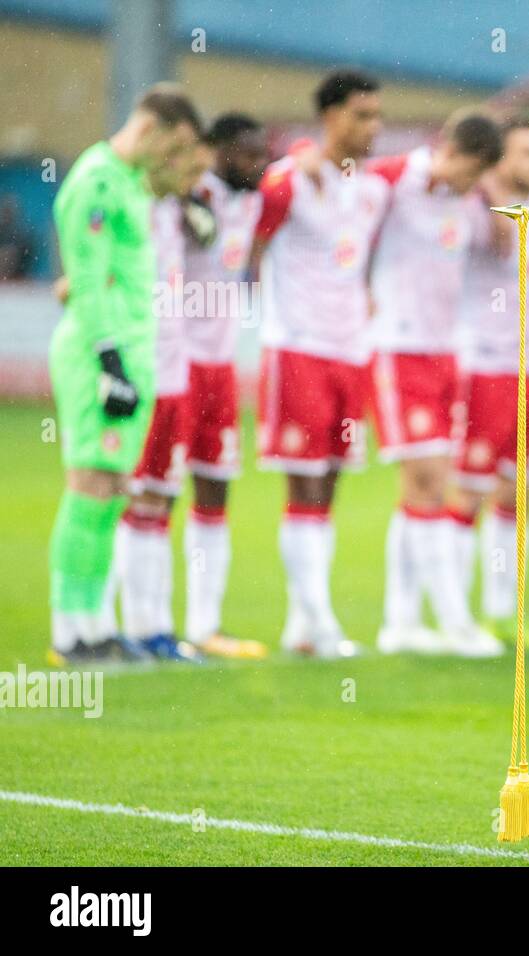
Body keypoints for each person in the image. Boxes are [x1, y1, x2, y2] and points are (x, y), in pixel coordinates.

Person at [47, 84, 201, 664]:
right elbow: (83, 280)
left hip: (135, 355)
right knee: (88, 486)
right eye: (175, 147)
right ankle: (70, 630)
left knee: (112, 492)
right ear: (153, 128)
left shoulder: (134, 184)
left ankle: (94, 623)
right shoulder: (95, 179)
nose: (173, 161)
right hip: (98, 353)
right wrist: (108, 358)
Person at [250, 70, 389, 658]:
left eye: (377, 115)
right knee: (302, 482)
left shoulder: (376, 190)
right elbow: (246, 245)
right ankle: (321, 623)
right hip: (299, 348)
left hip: (351, 352)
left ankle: (302, 626)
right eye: (361, 115)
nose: (371, 127)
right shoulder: (286, 183)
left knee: (328, 486)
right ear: (329, 116)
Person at [366, 111, 505, 657]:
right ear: (449, 148)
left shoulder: (470, 199)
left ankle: (399, 621)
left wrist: (484, 190)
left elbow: (493, 246)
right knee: (429, 479)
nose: (468, 186)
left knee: (419, 491)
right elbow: (341, 202)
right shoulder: (394, 178)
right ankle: (454, 620)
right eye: (468, 172)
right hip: (400, 348)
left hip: (449, 352)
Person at [105, 135, 215, 662]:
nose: (200, 175)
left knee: (159, 500)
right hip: (139, 371)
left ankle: (153, 628)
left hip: (176, 374)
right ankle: (95, 627)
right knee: (118, 496)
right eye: (193, 164)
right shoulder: (130, 203)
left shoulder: (182, 210)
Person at [444, 112, 529, 634]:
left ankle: (503, 613)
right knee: (466, 489)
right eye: (528, 153)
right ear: (500, 158)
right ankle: (453, 613)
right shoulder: (472, 207)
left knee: (517, 493)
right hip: (482, 362)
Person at [181, 113, 270, 659]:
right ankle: (137, 623)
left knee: (216, 487)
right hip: (173, 363)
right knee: (152, 492)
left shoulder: (252, 198)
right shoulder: (187, 193)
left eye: (262, 154)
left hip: (219, 367)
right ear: (215, 151)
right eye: (245, 153)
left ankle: (204, 624)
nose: (256, 164)